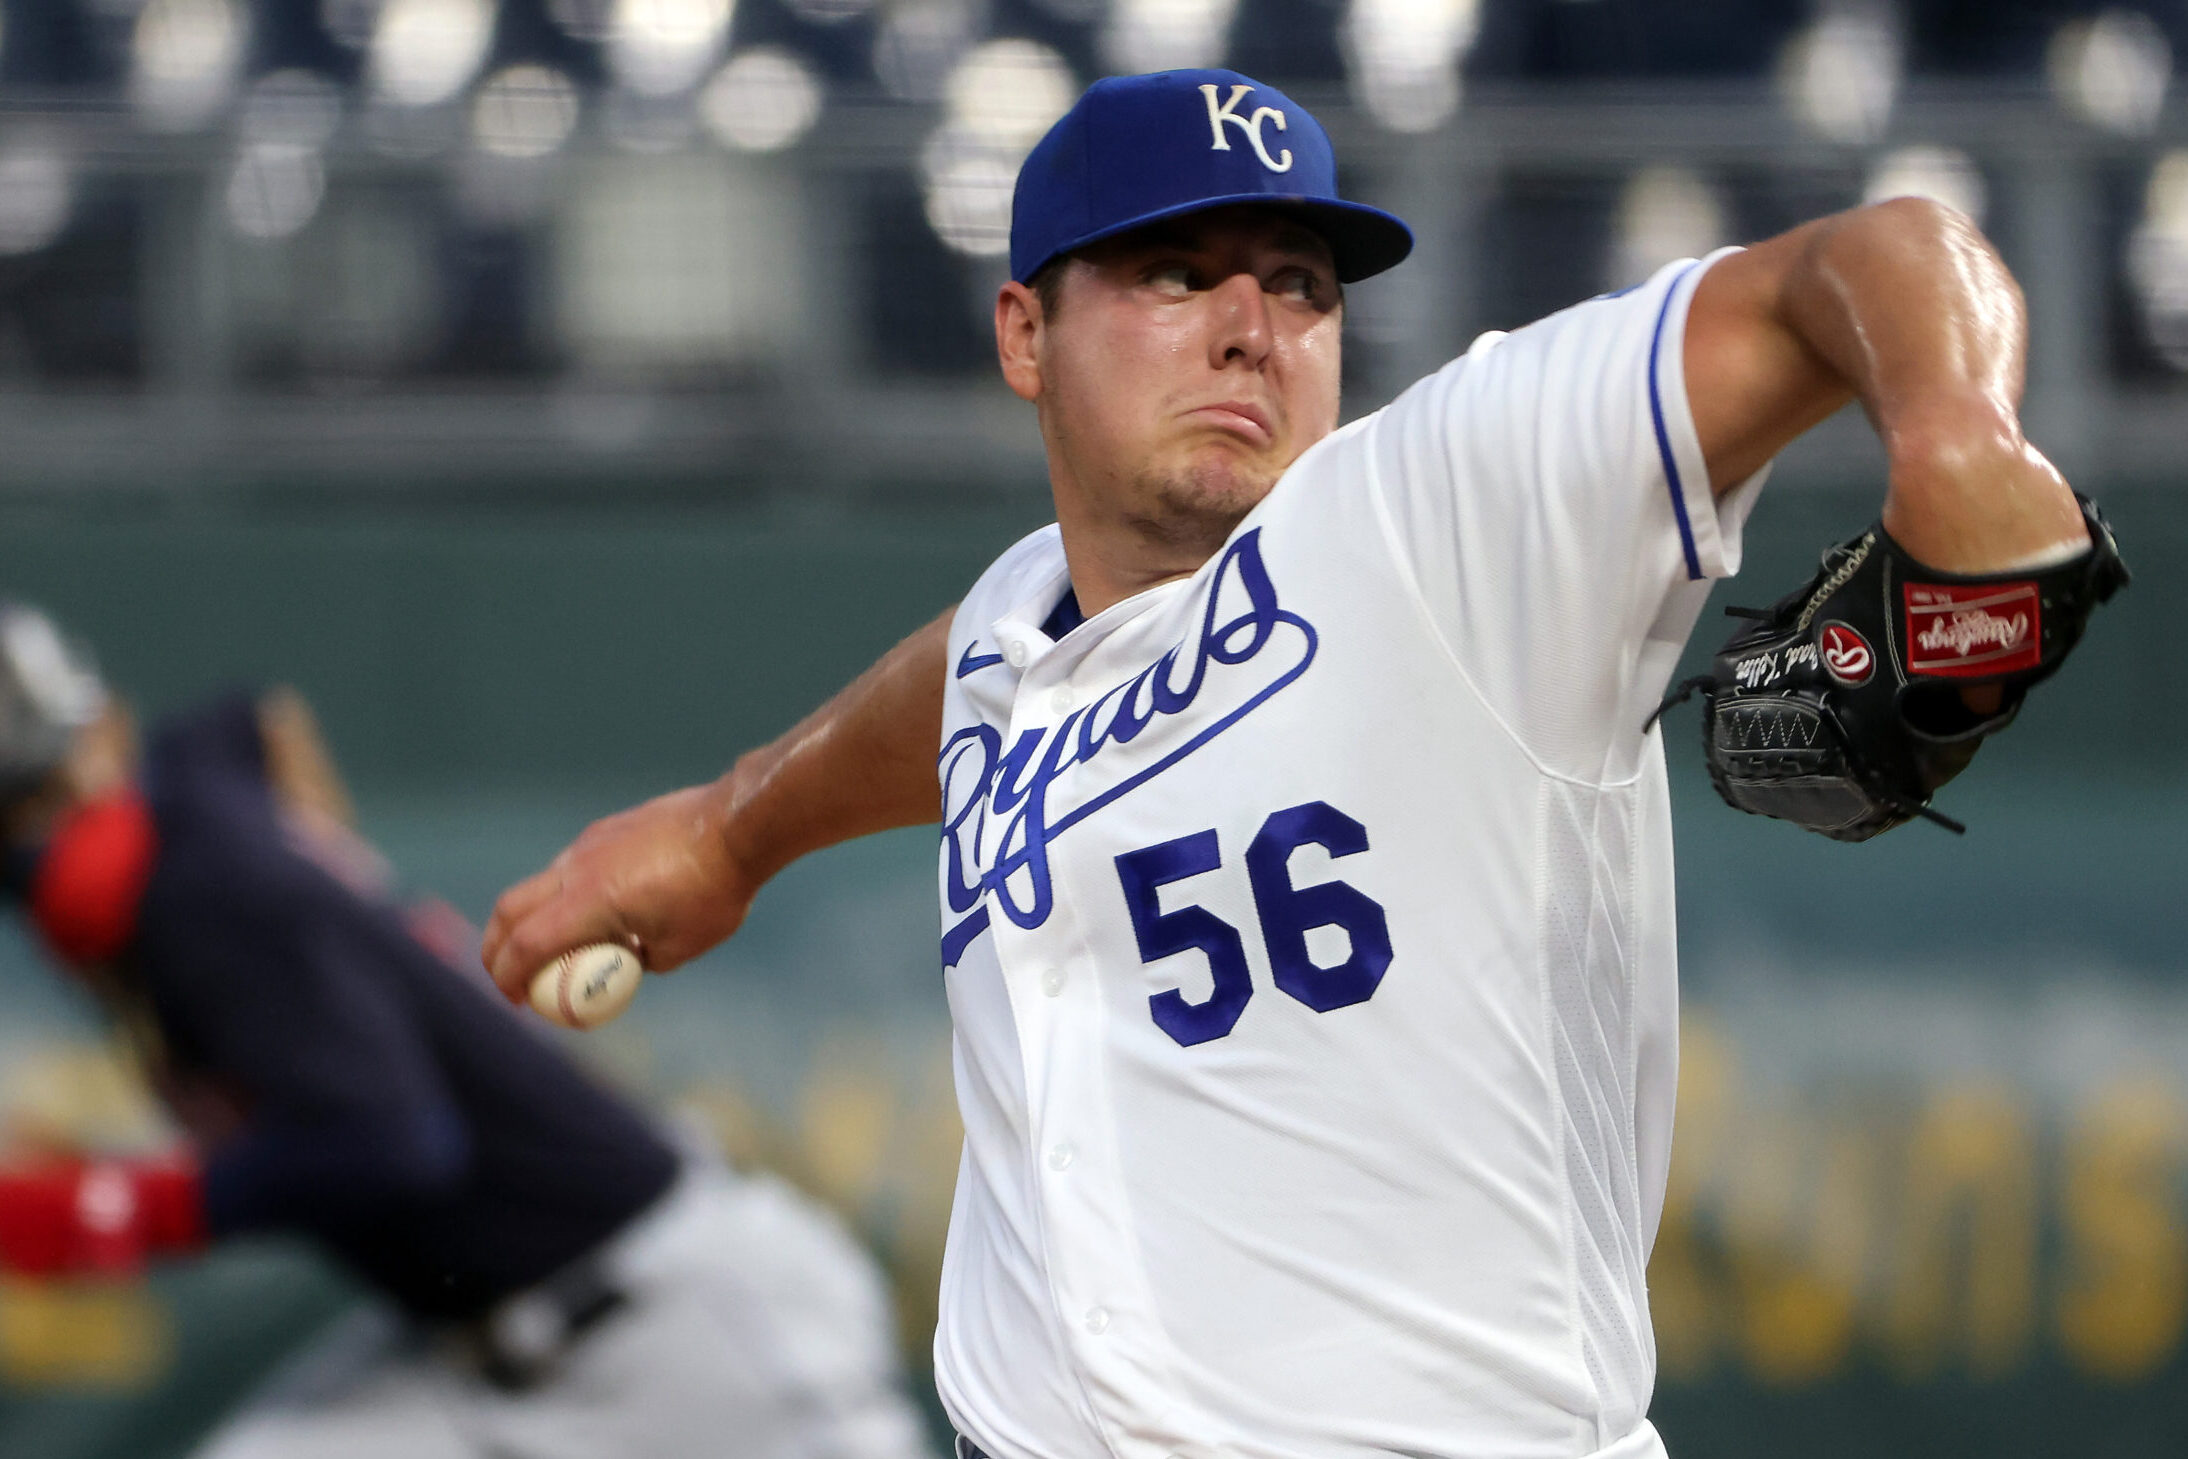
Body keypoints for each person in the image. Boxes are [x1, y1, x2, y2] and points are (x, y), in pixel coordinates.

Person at [482, 69, 2106, 1459]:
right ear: (1024, 331)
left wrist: (1956, 433)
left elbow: (1880, 254)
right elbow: (966, 686)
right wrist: (729, 828)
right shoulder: (1010, 624)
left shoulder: (1450, 506)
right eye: (1176, 275)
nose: (1252, 329)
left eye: (1299, 282)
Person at [0, 604, 934, 1459]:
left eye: (46, 787)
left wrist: (115, 1208)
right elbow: (247, 722)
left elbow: (392, 1142)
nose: (65, 808)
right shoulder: (192, 812)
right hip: (457, 1358)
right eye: (37, 793)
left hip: (674, 1327)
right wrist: (336, 867)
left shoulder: (197, 894)